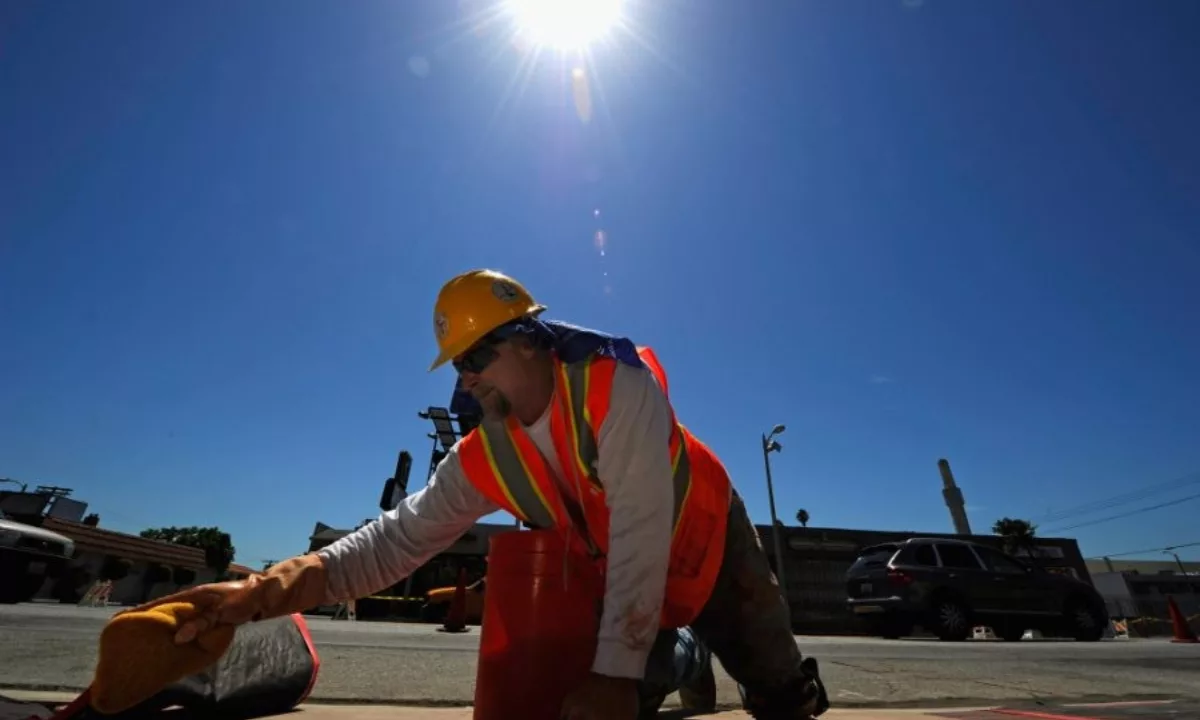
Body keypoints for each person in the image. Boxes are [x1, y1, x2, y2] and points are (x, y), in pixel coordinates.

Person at [130, 269, 830, 720]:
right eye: (456, 368)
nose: (464, 381)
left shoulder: (615, 387)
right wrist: (261, 593)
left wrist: (615, 673)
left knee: (780, 698)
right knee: (587, 703)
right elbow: (396, 540)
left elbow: (644, 524)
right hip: (624, 581)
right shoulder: (484, 454)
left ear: (528, 339)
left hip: (708, 543)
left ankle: (700, 654)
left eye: (474, 358)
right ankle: (680, 658)